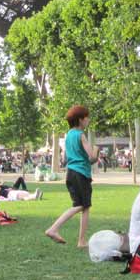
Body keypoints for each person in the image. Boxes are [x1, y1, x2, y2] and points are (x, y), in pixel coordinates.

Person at [45, 105, 98, 247]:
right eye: (86, 117)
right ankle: (54, 228)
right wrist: (96, 150)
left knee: (84, 206)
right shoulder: (81, 135)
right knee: (82, 206)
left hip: (71, 173)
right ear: (80, 120)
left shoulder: (68, 135)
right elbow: (92, 158)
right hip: (81, 174)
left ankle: (81, 241)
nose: (88, 120)